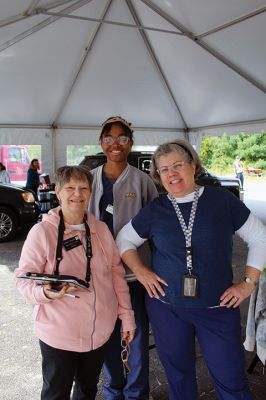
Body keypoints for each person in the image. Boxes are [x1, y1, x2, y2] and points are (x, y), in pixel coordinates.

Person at [116, 139, 266, 400]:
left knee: (231, 378)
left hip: (218, 308)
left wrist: (248, 283)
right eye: (163, 169)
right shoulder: (156, 209)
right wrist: (140, 270)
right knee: (178, 377)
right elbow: (124, 240)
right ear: (158, 176)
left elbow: (259, 237)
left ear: (193, 166)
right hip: (167, 309)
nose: (171, 174)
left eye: (177, 165)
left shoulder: (221, 201)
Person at [15, 165, 136, 400]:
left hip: (99, 333)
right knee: (56, 393)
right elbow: (23, 280)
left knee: (87, 390)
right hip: (58, 334)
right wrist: (46, 294)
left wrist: (127, 316)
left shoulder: (101, 230)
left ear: (90, 193)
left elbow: (116, 275)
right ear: (58, 192)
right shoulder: (42, 232)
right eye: (70, 188)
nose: (77, 194)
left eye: (83, 188)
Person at [88, 116, 158, 400]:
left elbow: (157, 226)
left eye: (122, 138)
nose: (115, 144)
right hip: (98, 274)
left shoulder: (142, 181)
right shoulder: (89, 179)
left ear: (131, 143)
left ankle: (136, 394)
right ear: (101, 143)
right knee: (105, 336)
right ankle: (113, 390)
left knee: (137, 338)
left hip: (133, 276)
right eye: (109, 138)